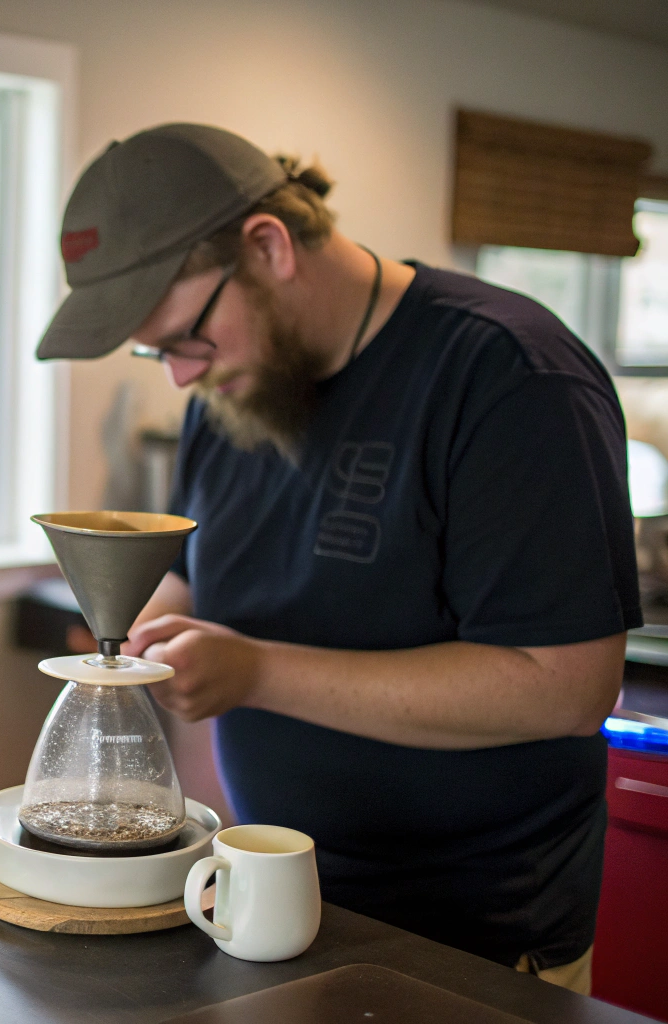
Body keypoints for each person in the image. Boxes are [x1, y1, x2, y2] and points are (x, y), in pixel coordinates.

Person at [38, 124, 637, 994]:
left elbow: (568, 685)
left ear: (269, 246)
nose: (177, 377)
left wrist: (253, 673)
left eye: (185, 339)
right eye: (156, 351)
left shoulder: (507, 375)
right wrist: (139, 622)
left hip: (473, 943)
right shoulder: (234, 391)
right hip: (268, 900)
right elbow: (228, 587)